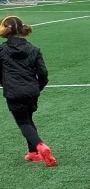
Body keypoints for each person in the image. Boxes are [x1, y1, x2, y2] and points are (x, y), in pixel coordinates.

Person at [0, 15, 57, 166]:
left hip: (14, 91)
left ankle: (40, 146)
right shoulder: (34, 49)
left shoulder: (2, 50)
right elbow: (43, 73)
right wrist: (38, 88)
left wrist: (5, 84)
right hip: (32, 91)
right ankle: (33, 153)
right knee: (28, 119)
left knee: (23, 122)